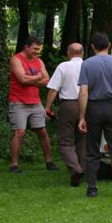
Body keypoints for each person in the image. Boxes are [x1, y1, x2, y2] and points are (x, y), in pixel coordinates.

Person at [78, 32, 112, 198]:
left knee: (92, 149)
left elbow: (83, 93)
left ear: (93, 47)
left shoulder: (86, 64)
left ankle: (92, 188)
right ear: (109, 45)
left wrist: (82, 116)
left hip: (94, 108)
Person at [8, 35, 57, 173]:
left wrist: (32, 79)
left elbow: (47, 80)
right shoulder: (16, 59)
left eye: (38, 49)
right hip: (18, 101)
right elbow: (22, 79)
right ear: (26, 46)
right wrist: (38, 77)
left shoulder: (39, 61)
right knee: (20, 132)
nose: (37, 52)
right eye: (34, 49)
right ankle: (14, 164)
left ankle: (49, 161)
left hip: (35, 102)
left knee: (42, 131)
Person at [45, 43, 86, 187]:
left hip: (68, 105)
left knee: (65, 141)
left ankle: (75, 169)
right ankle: (82, 170)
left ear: (69, 53)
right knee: (82, 140)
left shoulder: (63, 66)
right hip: (87, 105)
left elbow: (53, 89)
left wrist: (48, 108)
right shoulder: (89, 66)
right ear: (82, 53)